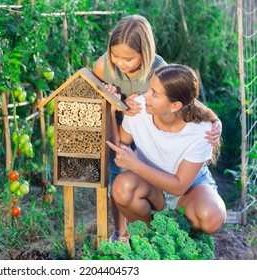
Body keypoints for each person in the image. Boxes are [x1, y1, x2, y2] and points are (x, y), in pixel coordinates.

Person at [91, 14, 222, 241]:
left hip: (148, 125)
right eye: (115, 56)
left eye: (128, 59)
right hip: (131, 125)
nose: (120, 63)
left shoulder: (158, 70)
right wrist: (112, 105)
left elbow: (182, 96)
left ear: (145, 53)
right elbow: (95, 94)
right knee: (118, 178)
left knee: (129, 168)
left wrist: (214, 120)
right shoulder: (104, 67)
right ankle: (122, 231)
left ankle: (175, 232)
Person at [107, 64, 226, 239]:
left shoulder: (203, 131)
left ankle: (182, 236)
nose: (145, 95)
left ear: (175, 105)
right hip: (150, 187)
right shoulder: (139, 108)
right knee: (122, 188)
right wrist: (111, 110)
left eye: (154, 94)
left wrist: (136, 165)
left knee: (211, 217)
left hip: (189, 189)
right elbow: (120, 147)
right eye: (149, 89)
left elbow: (178, 187)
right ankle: (152, 238)